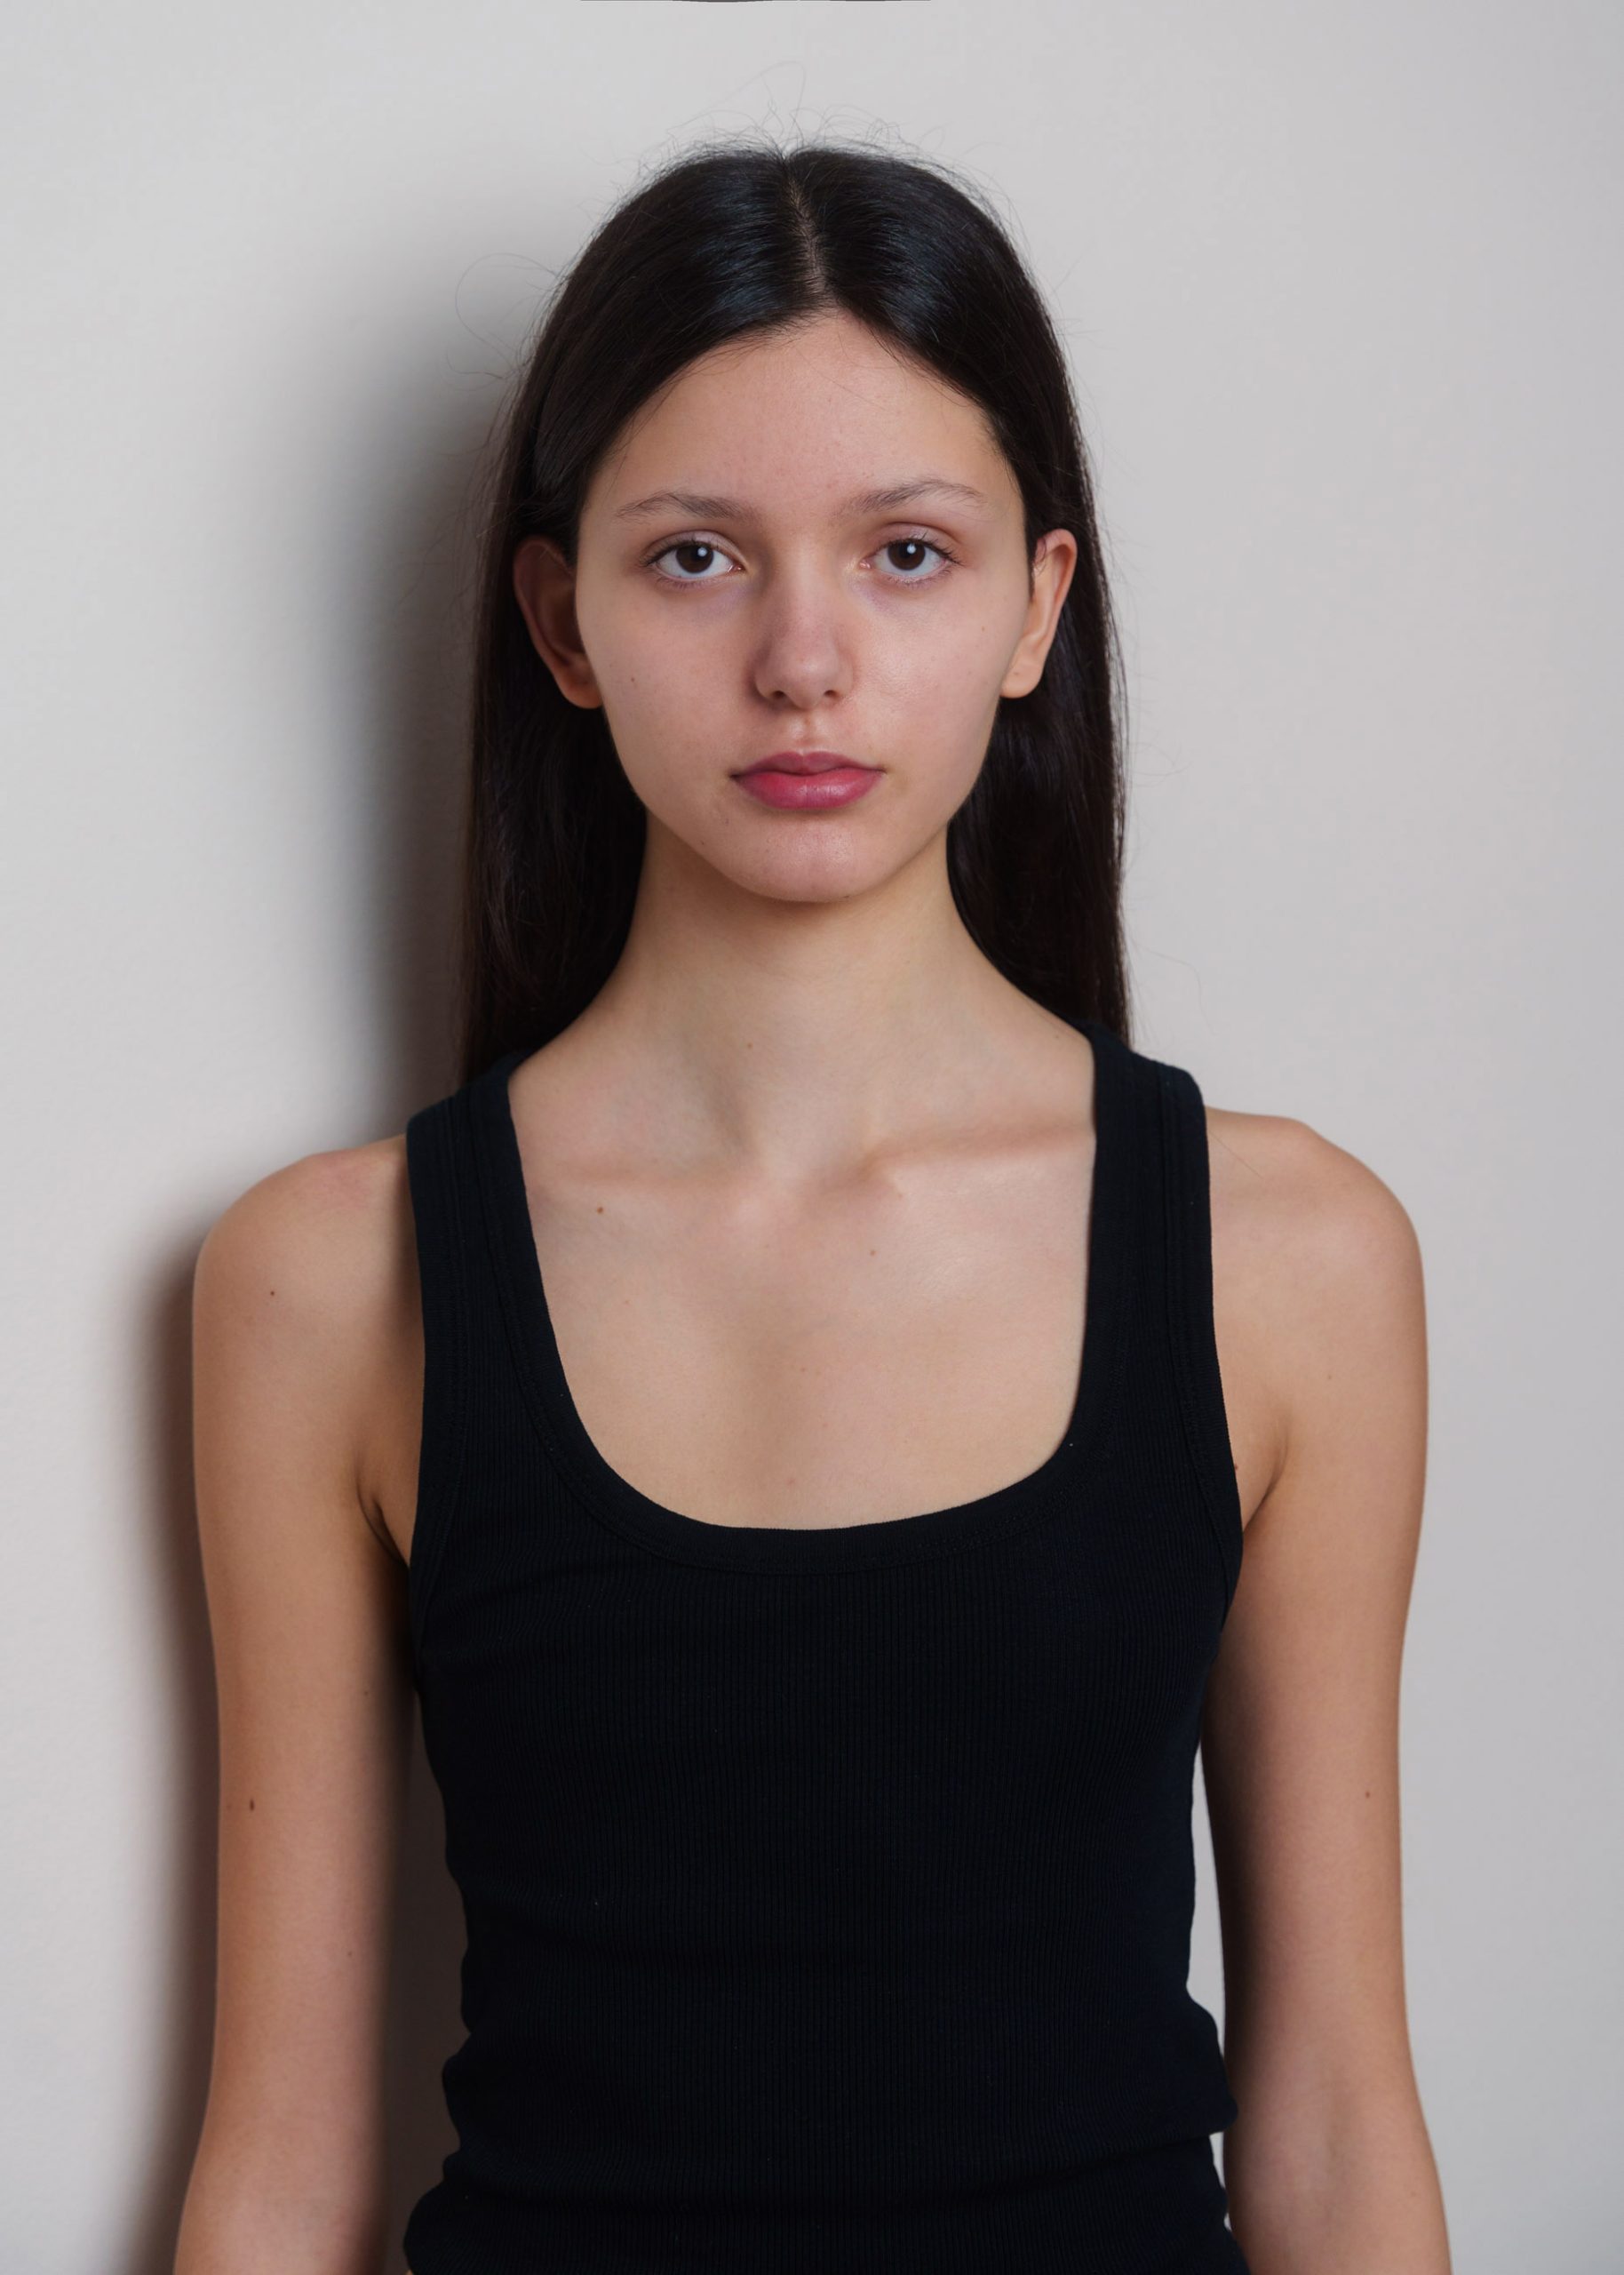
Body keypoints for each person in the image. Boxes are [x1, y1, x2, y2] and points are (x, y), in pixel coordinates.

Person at [174, 140, 1452, 2275]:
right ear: (559, 621)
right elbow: (283, 2167)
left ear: (1036, 604)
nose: (801, 660)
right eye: (693, 556)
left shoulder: (1289, 1259)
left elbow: (1331, 2117)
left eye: (905, 554)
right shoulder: (329, 1279)